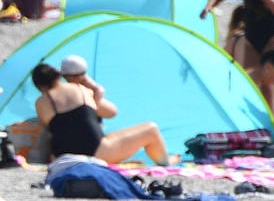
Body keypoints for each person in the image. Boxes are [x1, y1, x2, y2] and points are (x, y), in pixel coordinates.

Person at [31, 60, 172, 165]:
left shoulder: (41, 102)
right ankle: (165, 163)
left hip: (62, 156)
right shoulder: (80, 89)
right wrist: (96, 90)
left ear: (39, 86)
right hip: (95, 153)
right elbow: (111, 112)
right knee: (151, 129)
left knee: (107, 136)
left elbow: (54, 128)